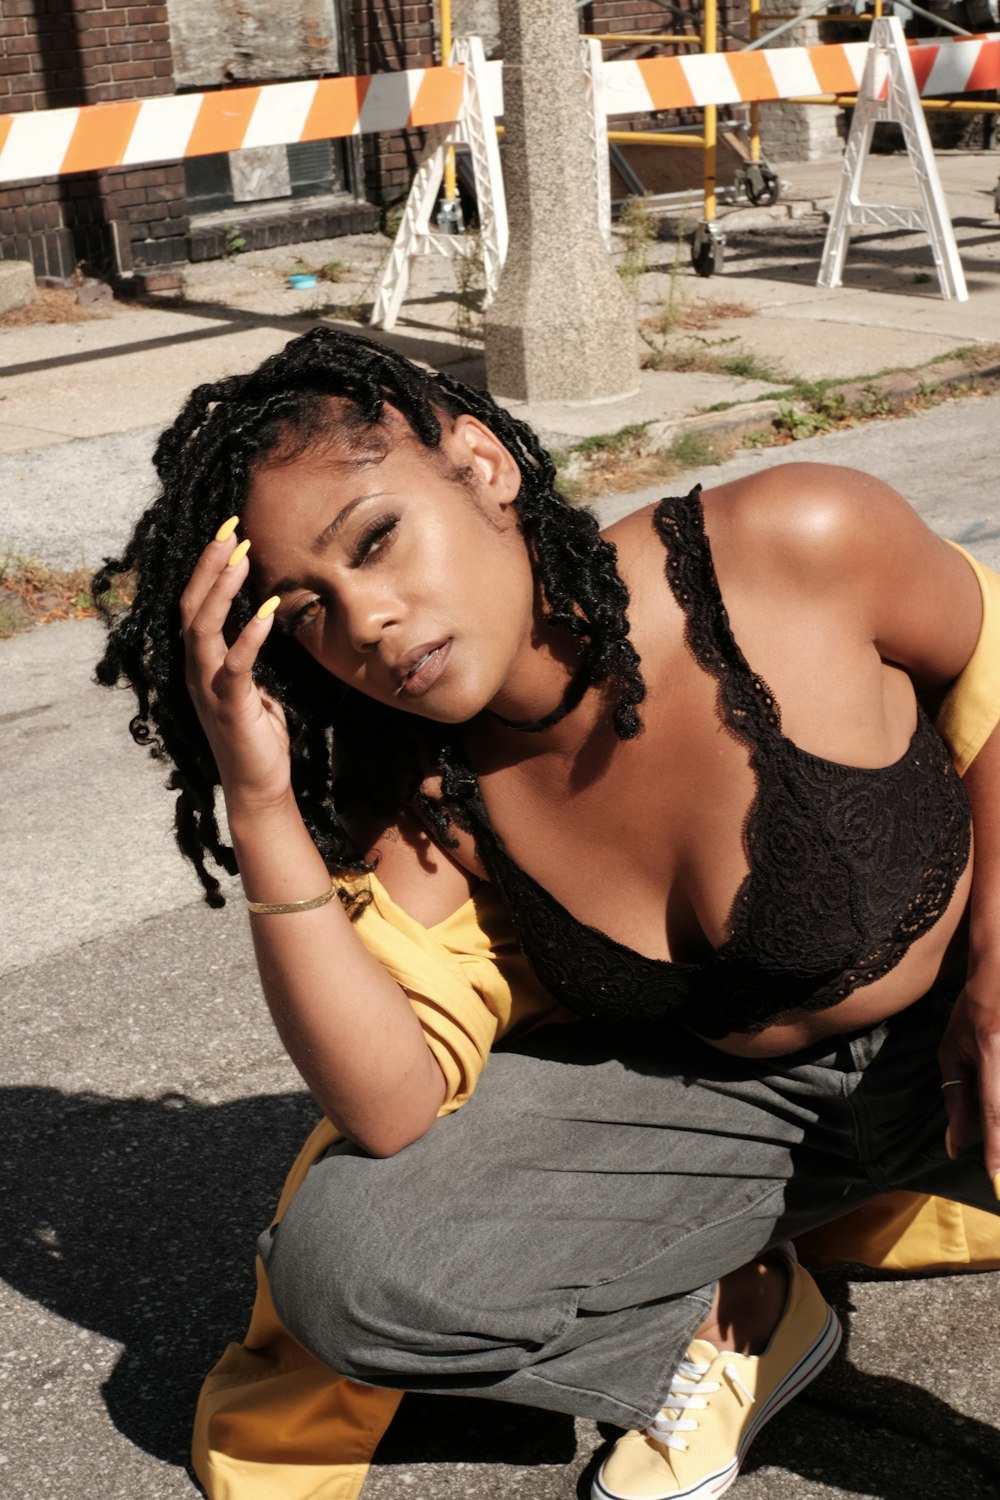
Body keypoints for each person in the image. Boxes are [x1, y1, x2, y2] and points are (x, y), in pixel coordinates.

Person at [94, 327, 1000, 1500]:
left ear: (480, 464)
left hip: (962, 1033)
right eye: (304, 609)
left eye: (374, 540)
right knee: (353, 1269)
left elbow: (994, 668)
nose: (364, 619)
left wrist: (995, 970)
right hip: (743, 1128)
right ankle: (737, 1315)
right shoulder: (440, 805)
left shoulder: (784, 545)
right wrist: (259, 802)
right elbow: (390, 1105)